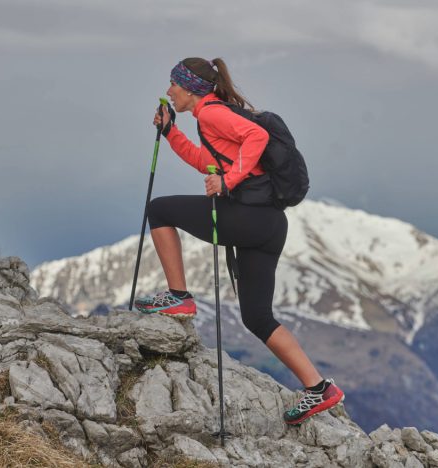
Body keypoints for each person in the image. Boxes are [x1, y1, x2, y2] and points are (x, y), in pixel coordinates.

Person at [134, 57, 344, 425]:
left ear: (189, 88)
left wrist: (228, 183)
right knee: (257, 317)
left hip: (249, 218)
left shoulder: (212, 114)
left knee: (160, 210)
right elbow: (206, 161)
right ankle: (319, 388)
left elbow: (256, 138)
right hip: (269, 224)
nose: (169, 92)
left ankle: (179, 297)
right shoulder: (211, 117)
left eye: (173, 84)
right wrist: (171, 133)